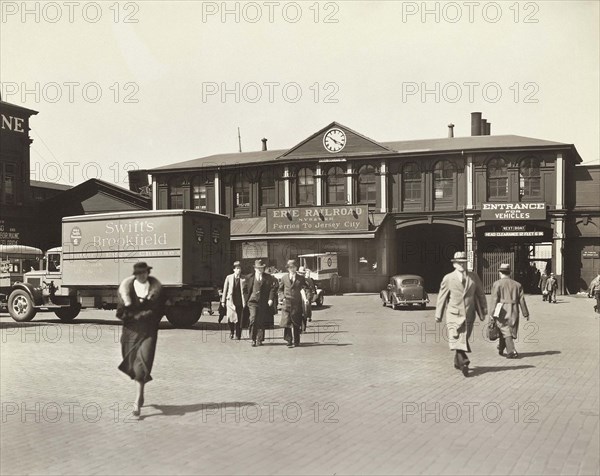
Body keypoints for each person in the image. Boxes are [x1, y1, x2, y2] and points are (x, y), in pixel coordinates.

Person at [116, 262, 164, 418]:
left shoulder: (155, 289)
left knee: (141, 363)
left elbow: (160, 310)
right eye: (140, 273)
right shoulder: (126, 290)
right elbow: (120, 312)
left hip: (148, 331)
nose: (143, 275)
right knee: (130, 359)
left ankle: (138, 399)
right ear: (135, 274)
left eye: (145, 273)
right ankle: (140, 394)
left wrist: (147, 315)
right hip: (130, 332)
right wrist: (131, 315)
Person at [435, 251, 488, 377]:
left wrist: (484, 309)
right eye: (459, 263)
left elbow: (480, 294)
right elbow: (442, 297)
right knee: (456, 338)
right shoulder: (448, 278)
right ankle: (464, 361)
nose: (462, 265)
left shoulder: (474, 277)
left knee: (463, 338)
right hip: (453, 314)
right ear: (454, 264)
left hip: (469, 314)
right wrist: (439, 314)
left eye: (464, 263)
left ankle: (457, 362)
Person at [490, 263, 530, 359]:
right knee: (508, 329)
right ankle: (501, 347)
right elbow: (522, 300)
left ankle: (511, 351)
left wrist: (492, 313)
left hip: (502, 310)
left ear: (500, 272)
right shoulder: (518, 285)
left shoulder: (497, 284)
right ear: (510, 273)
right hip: (514, 309)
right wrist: (525, 313)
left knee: (504, 329)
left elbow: (494, 300)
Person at [244, 259, 276, 347]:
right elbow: (245, 289)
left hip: (263, 302)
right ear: (255, 268)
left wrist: (270, 299)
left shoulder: (268, 277)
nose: (260, 270)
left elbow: (272, 289)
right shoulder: (249, 277)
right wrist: (245, 300)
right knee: (253, 319)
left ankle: (259, 339)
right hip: (252, 302)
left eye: (261, 268)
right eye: (258, 268)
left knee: (261, 321)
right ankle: (253, 339)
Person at [279, 260, 307, 348]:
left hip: (296, 303)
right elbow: (280, 289)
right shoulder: (284, 278)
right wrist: (282, 297)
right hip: (286, 302)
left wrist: (305, 299)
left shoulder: (301, 278)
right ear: (288, 268)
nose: (292, 269)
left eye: (294, 267)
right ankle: (289, 340)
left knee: (296, 322)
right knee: (287, 322)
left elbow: (304, 288)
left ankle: (297, 341)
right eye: (290, 267)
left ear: (296, 268)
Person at [221, 261, 247, 340]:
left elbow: (246, 291)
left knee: (239, 318)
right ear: (234, 270)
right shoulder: (229, 277)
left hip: (240, 301)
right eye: (237, 268)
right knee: (230, 318)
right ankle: (232, 331)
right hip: (230, 301)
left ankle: (238, 335)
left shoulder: (244, 279)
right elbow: (225, 289)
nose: (239, 270)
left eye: (240, 268)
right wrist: (223, 301)